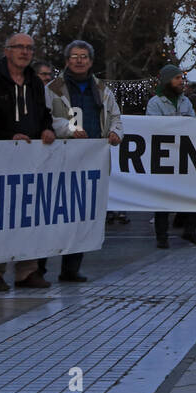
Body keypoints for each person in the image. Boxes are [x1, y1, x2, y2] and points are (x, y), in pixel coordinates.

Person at [0, 33, 57, 290]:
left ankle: (27, 271)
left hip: (31, 162)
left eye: (30, 48)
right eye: (19, 47)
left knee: (30, 215)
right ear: (7, 51)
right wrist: (7, 138)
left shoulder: (36, 84)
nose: (25, 52)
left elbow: (44, 115)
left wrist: (47, 130)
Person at [43, 39, 123, 281]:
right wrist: (69, 128)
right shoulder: (52, 89)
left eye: (84, 56)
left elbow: (115, 117)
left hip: (91, 160)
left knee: (82, 213)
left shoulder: (102, 89)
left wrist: (115, 133)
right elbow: (46, 119)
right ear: (67, 61)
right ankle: (38, 269)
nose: (79, 60)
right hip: (61, 157)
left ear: (90, 61)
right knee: (52, 214)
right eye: (75, 56)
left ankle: (71, 269)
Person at [144, 65, 196, 248]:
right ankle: (162, 236)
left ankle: (190, 231)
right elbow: (154, 127)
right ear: (168, 80)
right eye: (177, 78)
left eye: (181, 78)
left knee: (192, 194)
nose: (181, 82)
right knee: (163, 198)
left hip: (185, 155)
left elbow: (193, 124)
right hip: (165, 156)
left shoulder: (186, 102)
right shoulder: (156, 103)